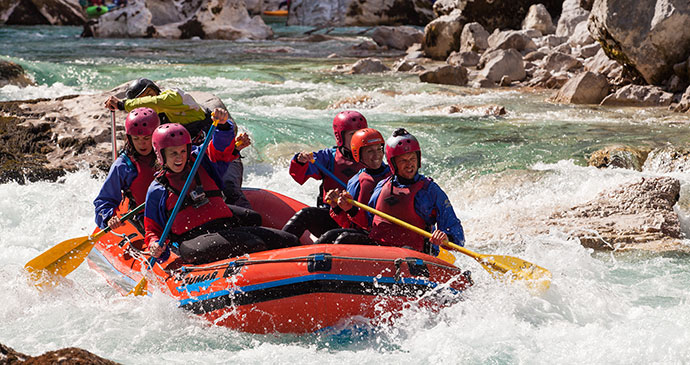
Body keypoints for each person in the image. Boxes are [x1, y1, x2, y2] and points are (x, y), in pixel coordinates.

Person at [144, 112, 297, 264]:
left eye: (183, 151)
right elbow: (153, 231)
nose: (180, 157)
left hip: (224, 228)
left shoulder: (200, 161)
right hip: (192, 241)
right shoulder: (157, 189)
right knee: (254, 244)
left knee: (290, 240)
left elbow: (219, 148)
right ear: (161, 155)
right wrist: (154, 244)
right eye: (173, 153)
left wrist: (223, 126)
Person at [104, 78, 252, 209]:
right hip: (195, 162)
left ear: (152, 92)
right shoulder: (157, 125)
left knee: (230, 189)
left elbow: (157, 102)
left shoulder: (174, 97)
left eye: (143, 101)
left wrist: (123, 105)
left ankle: (246, 221)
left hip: (218, 155)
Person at [366, 128, 465, 254]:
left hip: (417, 256)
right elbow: (367, 222)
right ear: (393, 163)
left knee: (406, 252)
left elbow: (457, 237)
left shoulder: (430, 190)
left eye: (412, 159)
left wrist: (445, 237)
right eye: (403, 160)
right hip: (382, 252)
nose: (409, 165)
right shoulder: (382, 187)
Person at [282, 110, 367, 240]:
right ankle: (281, 244)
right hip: (332, 215)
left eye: (360, 134)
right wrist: (300, 161)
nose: (357, 139)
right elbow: (299, 174)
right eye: (352, 134)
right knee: (306, 214)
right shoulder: (328, 157)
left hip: (359, 221)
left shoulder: (371, 158)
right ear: (340, 137)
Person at [315, 128, 391, 244]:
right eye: (370, 151)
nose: (376, 155)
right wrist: (337, 208)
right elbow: (348, 224)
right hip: (368, 237)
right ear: (358, 154)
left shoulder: (395, 176)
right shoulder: (355, 182)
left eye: (379, 149)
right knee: (331, 236)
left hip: (389, 237)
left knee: (343, 238)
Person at [94, 107, 160, 232]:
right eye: (136, 139)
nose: (142, 144)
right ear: (129, 139)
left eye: (146, 138)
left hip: (173, 209)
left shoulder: (168, 152)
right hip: (145, 216)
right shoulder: (123, 166)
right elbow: (104, 200)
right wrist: (109, 217)